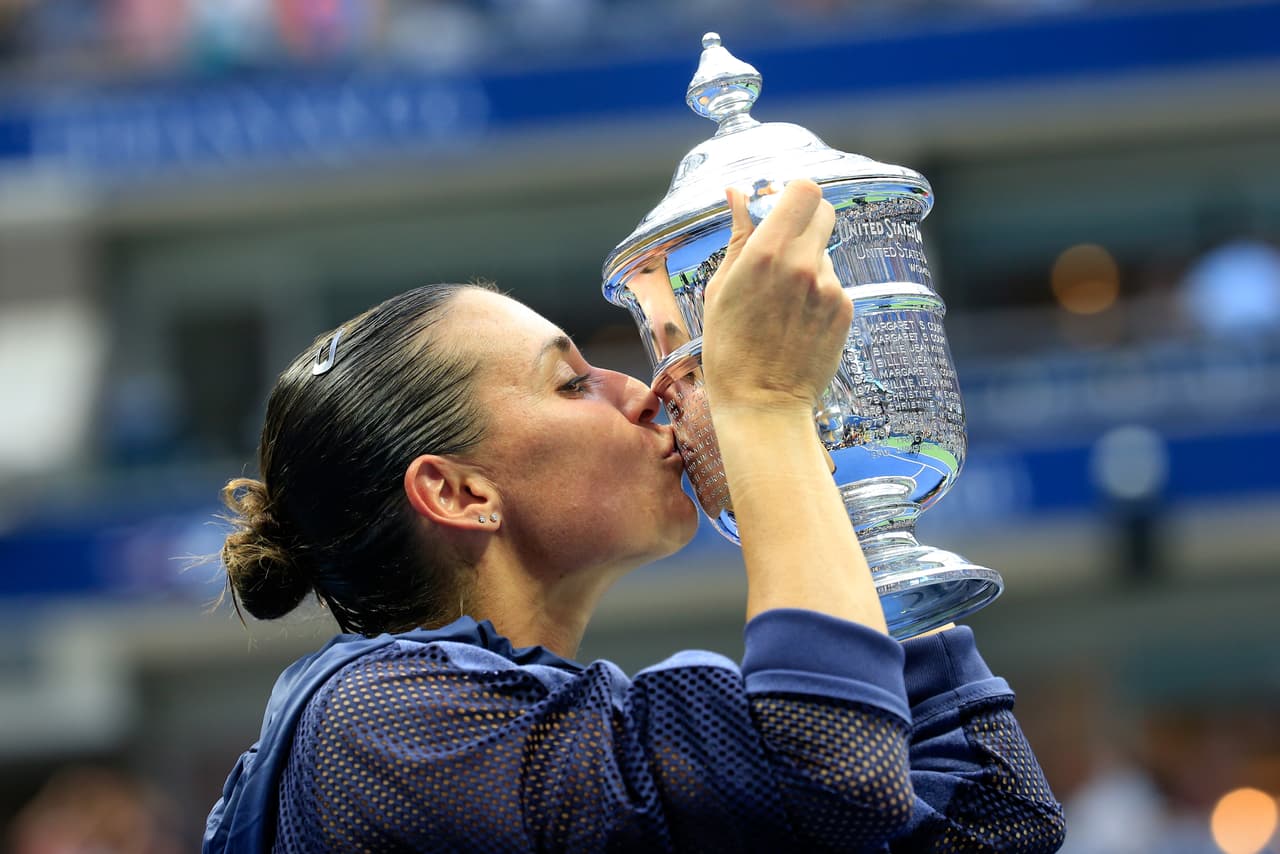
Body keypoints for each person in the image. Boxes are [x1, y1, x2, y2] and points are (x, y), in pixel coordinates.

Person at [203, 181, 1066, 853]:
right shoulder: (377, 728)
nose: (645, 390)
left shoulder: (536, 731)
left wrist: (845, 496)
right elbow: (832, 765)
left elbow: (993, 824)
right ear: (460, 494)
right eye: (573, 382)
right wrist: (761, 405)